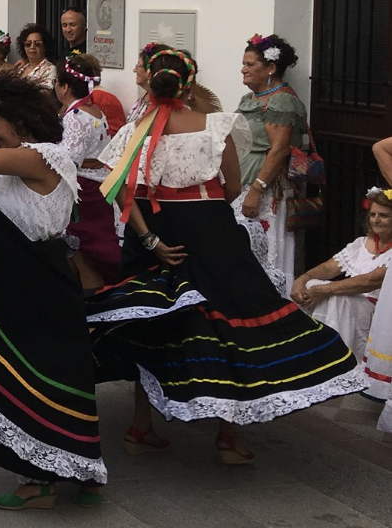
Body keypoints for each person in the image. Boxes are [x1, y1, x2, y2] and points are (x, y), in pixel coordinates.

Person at [90, 49, 364, 465]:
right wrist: (204, 215)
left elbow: (119, 192)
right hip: (211, 231)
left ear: (156, 82)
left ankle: (139, 426)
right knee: (230, 322)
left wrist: (150, 242)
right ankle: (226, 434)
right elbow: (233, 186)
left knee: (152, 324)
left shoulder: (136, 132)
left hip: (158, 235)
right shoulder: (217, 126)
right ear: (189, 83)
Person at [0, 73, 106, 511]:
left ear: (18, 119)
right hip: (24, 278)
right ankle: (80, 472)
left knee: (30, 372)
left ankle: (38, 482)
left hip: (32, 280)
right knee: (55, 371)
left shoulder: (43, 155)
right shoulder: (28, 158)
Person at [234, 33, 309, 291]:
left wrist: (256, 190)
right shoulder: (250, 99)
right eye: (243, 63)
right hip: (245, 182)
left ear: (271, 68)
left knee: (268, 247)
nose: (243, 69)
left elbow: (278, 150)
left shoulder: (281, 101)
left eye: (250, 64)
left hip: (266, 189)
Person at [291, 189, 391, 362]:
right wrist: (303, 279)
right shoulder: (361, 244)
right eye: (373, 214)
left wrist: (326, 290)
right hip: (353, 308)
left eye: (383, 215)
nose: (376, 219)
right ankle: (308, 351)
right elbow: (330, 267)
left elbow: (370, 281)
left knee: (340, 299)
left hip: (379, 313)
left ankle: (333, 358)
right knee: (312, 285)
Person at [55, 53, 119, 289]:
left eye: (56, 83)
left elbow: (69, 159)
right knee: (96, 239)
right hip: (98, 182)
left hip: (84, 188)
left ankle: (93, 288)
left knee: (84, 243)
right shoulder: (95, 111)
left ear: (64, 87)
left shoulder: (76, 116)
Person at [14, 22, 56, 89]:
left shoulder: (50, 69)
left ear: (45, 47)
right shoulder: (20, 68)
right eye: (28, 44)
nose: (32, 47)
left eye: (37, 44)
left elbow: (46, 94)